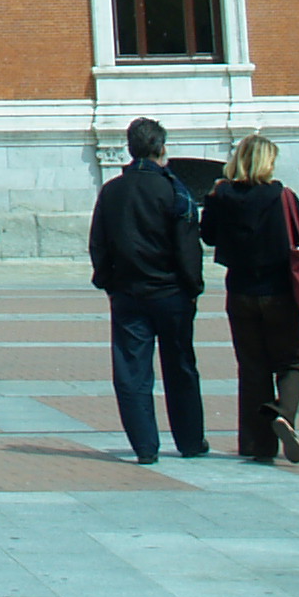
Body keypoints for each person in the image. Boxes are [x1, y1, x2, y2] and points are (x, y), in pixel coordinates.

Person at [88, 115, 208, 464]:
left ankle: (144, 445)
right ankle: (190, 439)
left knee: (132, 372)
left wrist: (107, 280)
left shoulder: (112, 191)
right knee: (180, 367)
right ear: (161, 148)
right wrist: (192, 285)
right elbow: (188, 245)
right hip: (170, 292)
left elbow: (98, 243)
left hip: (128, 291)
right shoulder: (173, 190)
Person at [199, 134, 299, 464]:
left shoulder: (220, 195)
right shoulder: (282, 195)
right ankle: (284, 413)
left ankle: (256, 444)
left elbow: (208, 236)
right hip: (279, 290)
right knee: (291, 362)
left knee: (252, 368)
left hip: (240, 290)